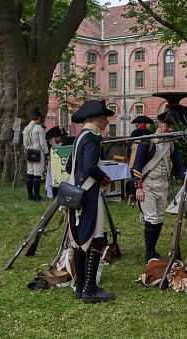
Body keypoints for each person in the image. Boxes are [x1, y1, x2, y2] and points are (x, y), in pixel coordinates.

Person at [65, 100, 115, 303]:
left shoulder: (80, 137)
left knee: (78, 242)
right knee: (96, 240)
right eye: (104, 117)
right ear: (94, 118)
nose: (106, 121)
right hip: (89, 194)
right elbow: (90, 169)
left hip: (76, 194)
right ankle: (90, 290)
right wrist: (105, 178)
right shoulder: (93, 138)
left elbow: (70, 166)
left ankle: (80, 288)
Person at [132, 109, 187, 263]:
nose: (170, 129)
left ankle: (153, 252)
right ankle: (149, 254)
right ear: (159, 125)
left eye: (172, 127)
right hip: (147, 185)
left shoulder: (171, 144)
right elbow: (137, 165)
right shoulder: (148, 140)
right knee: (152, 218)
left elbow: (179, 166)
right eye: (168, 126)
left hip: (163, 186)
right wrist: (138, 186)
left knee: (159, 219)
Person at [22, 107, 49, 202]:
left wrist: (27, 150)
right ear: (38, 118)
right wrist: (46, 153)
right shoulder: (39, 128)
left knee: (30, 173)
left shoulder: (26, 128)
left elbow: (24, 143)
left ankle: (30, 196)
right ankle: (36, 197)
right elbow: (43, 143)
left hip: (29, 151)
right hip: (38, 152)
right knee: (37, 174)